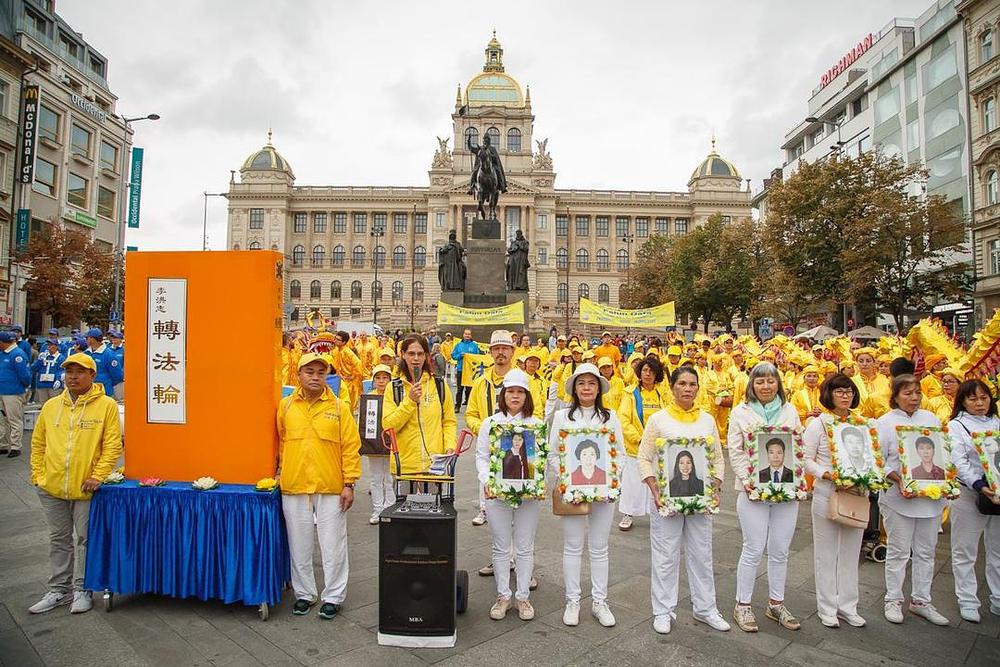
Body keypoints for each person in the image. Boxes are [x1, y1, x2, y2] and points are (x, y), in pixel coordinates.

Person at [28, 352, 122, 615]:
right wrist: (38, 475)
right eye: (69, 372)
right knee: (58, 539)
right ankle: (59, 589)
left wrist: (98, 475)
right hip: (52, 486)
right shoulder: (51, 406)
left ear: (92, 375)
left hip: (86, 487)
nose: (73, 377)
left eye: (80, 372)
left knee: (85, 539)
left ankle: (83, 589)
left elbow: (112, 445)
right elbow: (38, 443)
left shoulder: (106, 405)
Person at [638, 365, 730, 634]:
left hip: (700, 498)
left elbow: (717, 458)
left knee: (702, 553)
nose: (687, 389)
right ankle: (663, 610)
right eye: (682, 384)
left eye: (692, 384)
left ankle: (705, 608)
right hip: (667, 499)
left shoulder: (707, 420)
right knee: (665, 555)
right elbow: (644, 458)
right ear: (672, 387)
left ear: (698, 388)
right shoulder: (659, 420)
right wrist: (654, 488)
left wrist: (715, 487)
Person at [277, 352, 361, 620]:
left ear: (327, 376)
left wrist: (349, 483)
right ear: (298, 375)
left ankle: (333, 596)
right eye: (309, 372)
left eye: (321, 373)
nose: (315, 377)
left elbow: (351, 447)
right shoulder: (286, 406)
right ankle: (304, 594)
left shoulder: (339, 407)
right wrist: (279, 472)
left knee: (333, 544)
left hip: (331, 486)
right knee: (298, 545)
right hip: (294, 484)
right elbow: (281, 443)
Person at [727, 362, 803, 632]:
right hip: (752, 494)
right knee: (753, 548)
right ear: (752, 385)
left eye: (771, 381)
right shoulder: (741, 412)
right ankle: (743, 605)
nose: (766, 386)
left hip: (786, 492)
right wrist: (750, 482)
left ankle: (776, 603)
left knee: (780, 550)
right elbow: (735, 450)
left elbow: (797, 446)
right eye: (760, 381)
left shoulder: (789, 410)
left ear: (778, 384)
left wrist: (797, 480)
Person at [550, 363, 625, 629]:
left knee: (599, 547)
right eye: (581, 383)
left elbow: (620, 453)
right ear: (574, 388)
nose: (586, 388)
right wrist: (568, 480)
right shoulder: (562, 417)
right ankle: (572, 601)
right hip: (573, 492)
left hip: (603, 491)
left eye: (591, 383)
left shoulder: (610, 417)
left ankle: (600, 601)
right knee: (572, 546)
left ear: (599, 388)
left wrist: (611, 481)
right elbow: (553, 454)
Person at [876, 374, 949, 625]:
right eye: (907, 393)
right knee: (898, 551)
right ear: (895, 396)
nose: (914, 397)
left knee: (926, 552)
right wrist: (899, 479)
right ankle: (893, 599)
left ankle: (921, 600)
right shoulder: (885, 422)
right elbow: (878, 459)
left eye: (917, 392)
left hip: (930, 498)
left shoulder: (930, 419)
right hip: (899, 498)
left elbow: (941, 453)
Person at [475, 369, 544, 621]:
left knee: (525, 547)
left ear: (527, 395)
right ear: (503, 395)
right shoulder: (490, 423)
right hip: (497, 495)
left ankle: (523, 596)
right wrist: (487, 480)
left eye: (520, 392)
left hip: (528, 497)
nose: (515, 396)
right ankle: (503, 595)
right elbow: (482, 456)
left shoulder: (536, 425)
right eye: (510, 391)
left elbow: (541, 460)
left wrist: (539, 483)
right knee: (501, 545)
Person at [802, 374, 869, 629]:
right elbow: (806, 459)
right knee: (826, 553)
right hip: (827, 492)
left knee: (851, 554)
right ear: (829, 394)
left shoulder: (861, 424)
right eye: (839, 391)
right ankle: (827, 607)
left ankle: (848, 606)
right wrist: (826, 474)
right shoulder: (818, 424)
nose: (845, 395)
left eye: (849, 391)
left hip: (855, 494)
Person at [947, 379, 1000, 623]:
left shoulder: (996, 422)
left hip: (997, 495)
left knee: (997, 549)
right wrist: (979, 485)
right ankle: (967, 600)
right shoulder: (956, 426)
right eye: (973, 399)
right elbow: (958, 461)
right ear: (963, 401)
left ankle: (997, 597)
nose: (979, 403)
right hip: (969, 494)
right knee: (965, 550)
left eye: (984, 398)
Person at [466, 330, 521, 527]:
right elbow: (471, 413)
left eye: (505, 348)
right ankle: (484, 509)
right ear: (490, 352)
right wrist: (483, 429)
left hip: (516, 438)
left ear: (512, 351)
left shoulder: (523, 380)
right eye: (496, 348)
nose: (500, 352)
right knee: (486, 474)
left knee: (515, 473)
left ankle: (514, 509)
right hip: (490, 440)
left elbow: (537, 411)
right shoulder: (481, 382)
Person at [381, 334, 457, 475]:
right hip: (404, 467)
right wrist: (409, 402)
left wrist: (449, 446)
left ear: (426, 356)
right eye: (411, 354)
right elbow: (388, 426)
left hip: (434, 466)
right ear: (403, 354)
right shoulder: (393, 388)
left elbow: (449, 421)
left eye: (420, 354)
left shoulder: (439, 385)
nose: (416, 358)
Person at [617, 356, 669, 531]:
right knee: (633, 483)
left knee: (657, 481)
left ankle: (659, 511)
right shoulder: (630, 393)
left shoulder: (663, 393)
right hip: (636, 447)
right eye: (645, 370)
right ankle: (628, 513)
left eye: (652, 371)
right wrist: (639, 439)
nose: (648, 374)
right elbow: (624, 420)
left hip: (658, 447)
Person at [365, 364, 395, 525]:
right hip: (374, 446)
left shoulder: (396, 396)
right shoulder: (369, 398)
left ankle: (389, 507)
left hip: (392, 443)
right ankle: (377, 509)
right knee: (375, 478)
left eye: (385, 378)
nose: (381, 381)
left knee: (390, 478)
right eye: (378, 378)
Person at [0, 330, 31, 458]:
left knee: (14, 419)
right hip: (2, 391)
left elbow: (25, 375)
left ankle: (15, 446)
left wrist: (24, 388)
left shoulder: (18, 354)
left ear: (3, 342)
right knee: (2, 420)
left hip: (13, 392)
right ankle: (3, 444)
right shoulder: (2, 354)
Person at [83, 329, 122, 398]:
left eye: (87, 338)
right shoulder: (86, 353)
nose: (85, 340)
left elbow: (117, 376)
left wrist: (106, 383)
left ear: (92, 339)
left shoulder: (109, 354)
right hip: (88, 392)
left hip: (104, 393)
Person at [450, 329, 480, 412]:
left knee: (470, 389)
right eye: (466, 334)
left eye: (469, 334)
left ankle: (469, 405)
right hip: (461, 370)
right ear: (463, 335)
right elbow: (453, 356)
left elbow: (478, 357)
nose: (467, 335)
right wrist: (460, 355)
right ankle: (457, 406)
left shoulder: (474, 345)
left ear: (471, 336)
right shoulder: (458, 345)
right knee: (460, 389)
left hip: (471, 371)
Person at [32, 339, 65, 405]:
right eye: (49, 345)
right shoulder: (43, 356)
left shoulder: (60, 358)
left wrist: (58, 379)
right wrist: (39, 360)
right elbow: (34, 368)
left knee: (54, 405)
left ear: (56, 346)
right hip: (42, 384)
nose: (50, 347)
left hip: (53, 385)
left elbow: (61, 370)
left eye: (52, 345)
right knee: (44, 405)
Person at [107, 330, 125, 401]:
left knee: (118, 399)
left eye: (116, 337)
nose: (113, 339)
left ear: (120, 339)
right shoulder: (108, 349)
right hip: (109, 377)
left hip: (119, 378)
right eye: (113, 337)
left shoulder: (124, 349)